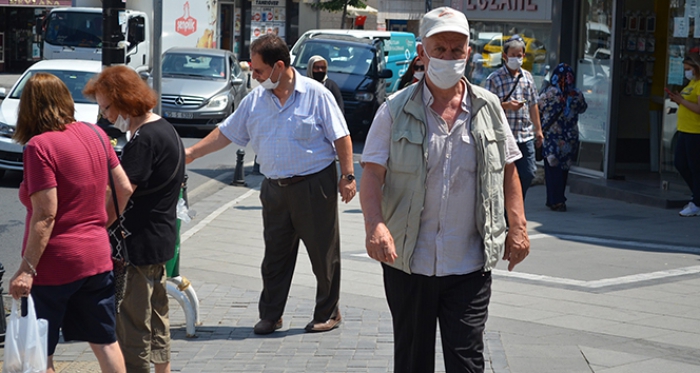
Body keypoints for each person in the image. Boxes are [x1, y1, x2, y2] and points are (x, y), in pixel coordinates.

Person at [359, 7, 530, 373]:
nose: (449, 57)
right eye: (440, 49)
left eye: (457, 49)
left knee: (467, 362)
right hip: (410, 261)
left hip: (468, 262)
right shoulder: (394, 110)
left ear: (469, 52)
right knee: (412, 361)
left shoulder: (488, 108)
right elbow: (372, 174)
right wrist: (375, 224)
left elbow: (509, 170)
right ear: (422, 52)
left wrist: (518, 228)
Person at [185, 34, 355, 335]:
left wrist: (348, 176)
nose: (254, 76)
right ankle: (271, 315)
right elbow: (226, 133)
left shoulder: (317, 95)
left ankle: (328, 311)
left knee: (323, 255)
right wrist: (191, 154)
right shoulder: (256, 100)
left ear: (279, 66)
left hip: (314, 185)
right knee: (274, 257)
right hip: (275, 189)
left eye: (259, 70)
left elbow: (341, 136)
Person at [8, 73, 132, 373]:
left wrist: (26, 270)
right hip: (97, 257)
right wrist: (99, 226)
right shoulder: (97, 135)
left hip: (55, 265)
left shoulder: (40, 147)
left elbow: (46, 214)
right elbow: (124, 188)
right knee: (105, 342)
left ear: (29, 107)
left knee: (41, 350)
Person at [83, 65, 185, 373]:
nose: (106, 116)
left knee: (133, 328)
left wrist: (101, 226)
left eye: (107, 107)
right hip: (160, 239)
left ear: (125, 100)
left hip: (137, 244)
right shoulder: (164, 128)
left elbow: (122, 190)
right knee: (157, 320)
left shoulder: (143, 139)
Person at [485, 34, 544, 198]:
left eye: (519, 56)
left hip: (524, 136)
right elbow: (487, 106)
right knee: (503, 176)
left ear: (524, 56)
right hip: (503, 136)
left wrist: (538, 130)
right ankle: (506, 211)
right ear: (504, 56)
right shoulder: (494, 79)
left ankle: (516, 204)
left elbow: (533, 104)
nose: (516, 59)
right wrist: (506, 105)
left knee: (528, 173)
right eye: (512, 55)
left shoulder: (527, 78)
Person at [537, 63, 588, 212]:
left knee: (552, 169)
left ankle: (555, 200)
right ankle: (558, 198)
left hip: (552, 137)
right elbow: (583, 108)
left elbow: (537, 107)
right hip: (570, 138)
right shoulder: (576, 94)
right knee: (564, 169)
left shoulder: (549, 94)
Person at [667, 53, 700, 217]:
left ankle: (697, 202)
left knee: (695, 167)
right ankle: (697, 196)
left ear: (696, 68)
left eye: (688, 69)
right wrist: (678, 99)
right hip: (684, 129)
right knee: (680, 163)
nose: (686, 72)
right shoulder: (691, 83)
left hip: (695, 131)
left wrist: (682, 101)